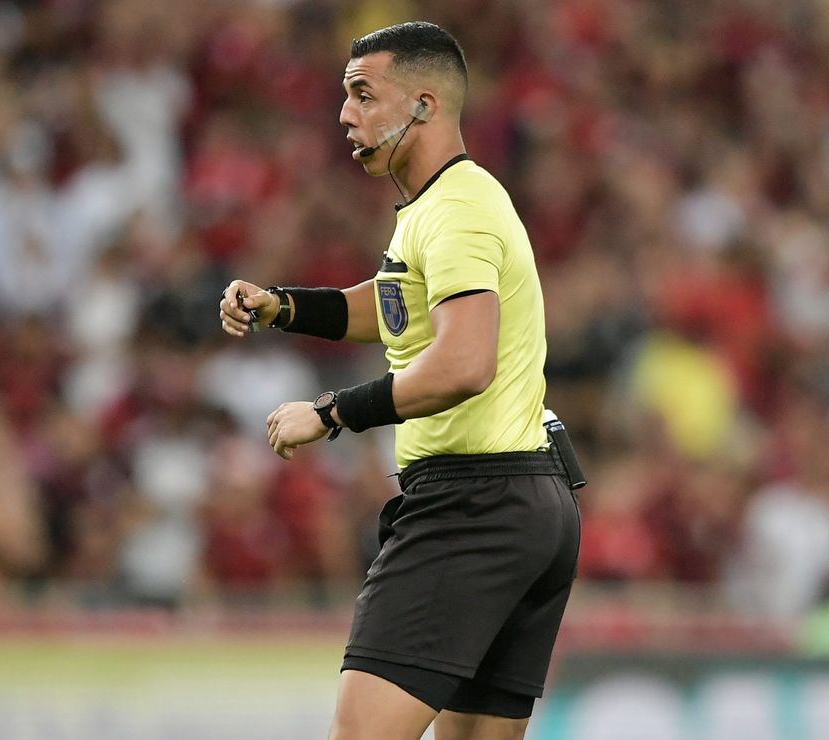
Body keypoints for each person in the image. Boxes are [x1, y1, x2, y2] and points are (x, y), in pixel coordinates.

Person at [219, 22, 582, 740]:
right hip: (529, 502)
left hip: (471, 505)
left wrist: (329, 413)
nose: (345, 115)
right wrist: (285, 307)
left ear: (424, 104)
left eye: (362, 95)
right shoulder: (445, 206)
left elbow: (462, 364)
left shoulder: (457, 209)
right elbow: (395, 305)